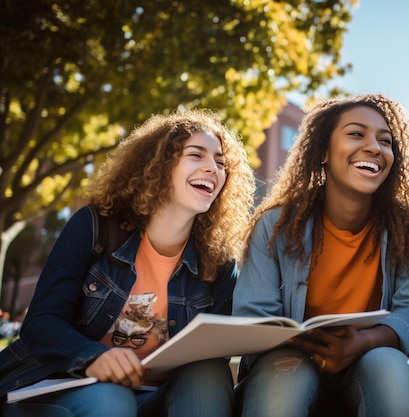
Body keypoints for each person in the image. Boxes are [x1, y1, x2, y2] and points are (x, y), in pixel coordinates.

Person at [0, 109, 256, 417]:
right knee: (113, 400)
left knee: (208, 376)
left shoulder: (219, 260)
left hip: (156, 396)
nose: (212, 168)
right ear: (159, 165)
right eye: (196, 155)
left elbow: (213, 352)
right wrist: (92, 356)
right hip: (63, 387)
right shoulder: (93, 227)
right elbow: (41, 324)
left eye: (220, 161)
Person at [232, 93, 409, 417]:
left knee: (387, 365)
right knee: (287, 373)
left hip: (370, 364)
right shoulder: (275, 225)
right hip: (292, 363)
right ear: (324, 151)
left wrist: (360, 344)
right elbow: (252, 314)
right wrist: (309, 346)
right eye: (356, 134)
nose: (374, 147)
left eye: (386, 141)